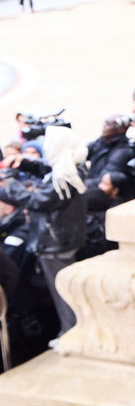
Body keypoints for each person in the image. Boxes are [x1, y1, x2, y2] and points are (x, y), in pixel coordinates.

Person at [0, 126, 88, 340]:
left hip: (56, 243)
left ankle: (71, 332)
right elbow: (48, 172)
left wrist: (11, 182)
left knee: (63, 292)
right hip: (59, 239)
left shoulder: (67, 176)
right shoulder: (71, 166)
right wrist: (26, 162)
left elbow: (38, 201)